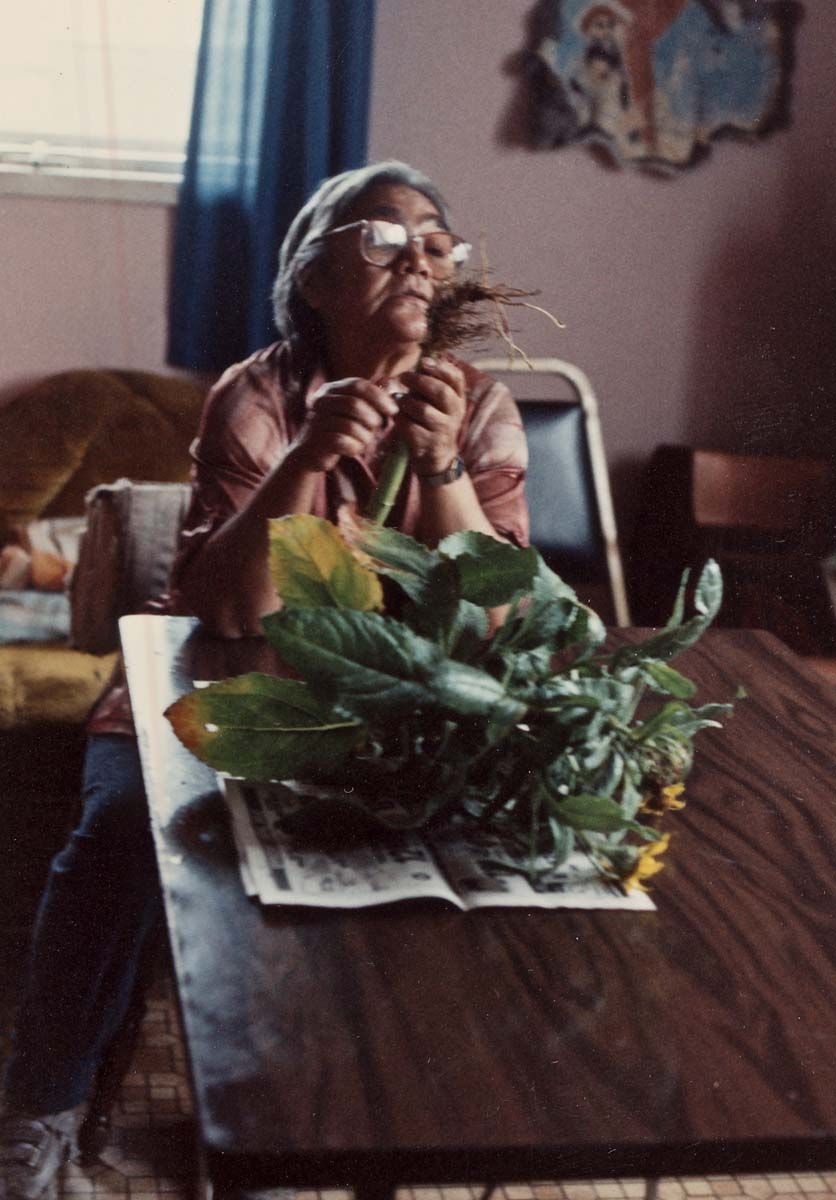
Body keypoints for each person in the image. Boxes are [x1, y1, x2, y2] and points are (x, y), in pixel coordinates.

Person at [0, 160, 529, 1200]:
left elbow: (491, 617)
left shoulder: (477, 408)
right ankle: (39, 1114)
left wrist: (440, 474)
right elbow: (228, 610)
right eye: (377, 236)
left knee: (427, 878)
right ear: (313, 279)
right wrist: (302, 463)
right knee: (115, 839)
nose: (416, 257)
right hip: (211, 686)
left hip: (387, 716)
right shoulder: (258, 394)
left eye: (433, 242)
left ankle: (292, 1129)